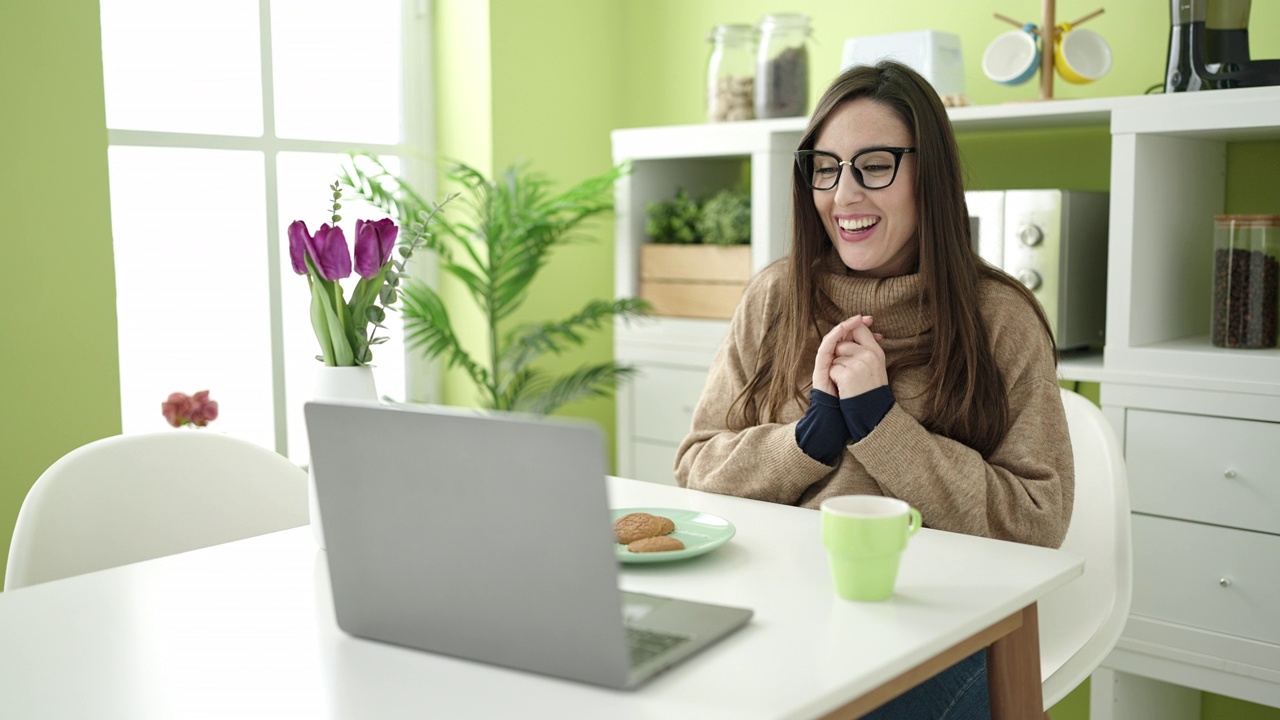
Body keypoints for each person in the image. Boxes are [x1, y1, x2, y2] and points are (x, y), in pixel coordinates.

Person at [674, 60, 1075, 719]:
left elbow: (1037, 521)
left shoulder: (1001, 321)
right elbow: (695, 469)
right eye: (825, 168)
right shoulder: (776, 297)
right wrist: (808, 440)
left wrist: (881, 425)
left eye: (875, 165)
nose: (844, 194)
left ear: (930, 176)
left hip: (946, 633)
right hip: (784, 616)